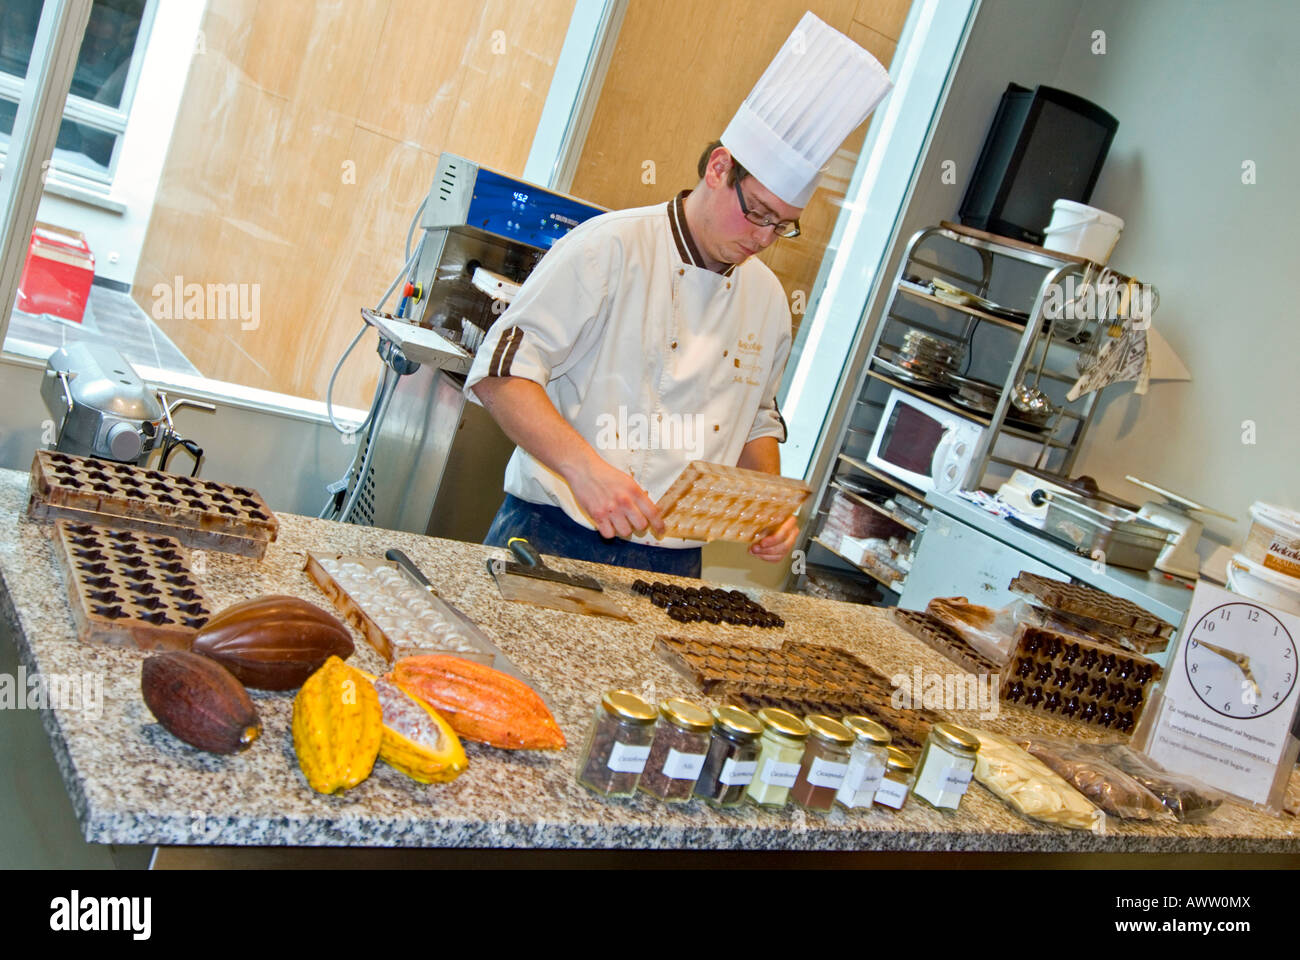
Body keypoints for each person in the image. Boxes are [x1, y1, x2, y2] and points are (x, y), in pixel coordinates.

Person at [465, 12, 891, 578]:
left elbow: (757, 418)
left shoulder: (767, 299)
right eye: (758, 213)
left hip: (677, 561)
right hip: (553, 534)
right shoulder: (610, 247)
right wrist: (586, 470)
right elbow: (502, 372)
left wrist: (770, 500)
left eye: (783, 225)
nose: (763, 238)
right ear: (719, 168)